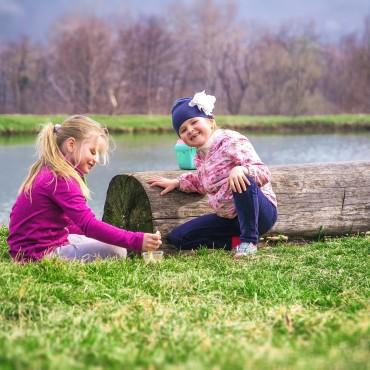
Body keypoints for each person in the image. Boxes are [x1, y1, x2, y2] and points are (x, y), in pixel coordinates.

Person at [8, 115, 161, 263]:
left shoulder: (52, 170)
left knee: (103, 239)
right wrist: (135, 240)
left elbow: (75, 225)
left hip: (29, 249)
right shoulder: (61, 178)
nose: (96, 159)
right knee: (117, 250)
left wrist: (106, 234)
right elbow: (88, 225)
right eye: (93, 151)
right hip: (38, 255)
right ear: (71, 145)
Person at [148, 91, 277, 258]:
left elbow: (263, 172)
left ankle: (249, 242)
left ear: (210, 122)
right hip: (230, 219)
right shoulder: (200, 157)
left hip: (259, 212)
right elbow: (202, 183)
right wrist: (178, 182)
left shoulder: (230, 140)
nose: (190, 130)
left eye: (194, 122)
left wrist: (241, 170)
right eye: (183, 130)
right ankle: (235, 243)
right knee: (178, 238)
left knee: (241, 177)